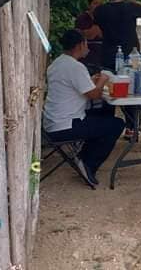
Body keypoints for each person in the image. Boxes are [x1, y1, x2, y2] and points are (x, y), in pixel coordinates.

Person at [43, 29, 125, 187]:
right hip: (66, 126)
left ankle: (82, 157)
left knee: (104, 113)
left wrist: (92, 80)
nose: (87, 46)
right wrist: (103, 79)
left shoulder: (58, 63)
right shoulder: (75, 67)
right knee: (116, 124)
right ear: (80, 45)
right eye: (86, 43)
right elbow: (94, 94)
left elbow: (80, 87)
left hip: (52, 123)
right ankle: (88, 164)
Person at [75, 0, 104, 69]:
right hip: (86, 55)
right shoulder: (82, 18)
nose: (98, 6)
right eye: (95, 3)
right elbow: (90, 35)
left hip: (100, 55)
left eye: (100, 4)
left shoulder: (104, 18)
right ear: (89, 5)